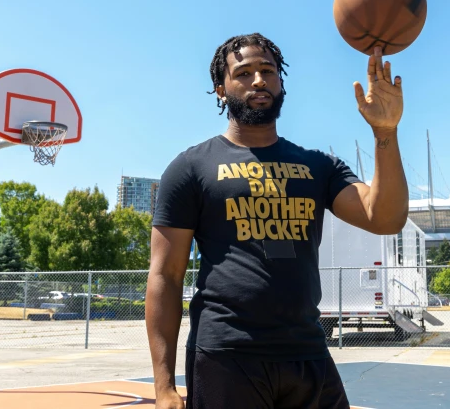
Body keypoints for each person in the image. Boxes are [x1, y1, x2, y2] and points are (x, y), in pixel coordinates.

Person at [145, 33, 409, 409]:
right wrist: (164, 385)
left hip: (307, 351)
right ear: (220, 88)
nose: (258, 80)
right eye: (244, 72)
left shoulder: (318, 165)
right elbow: (165, 276)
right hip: (227, 353)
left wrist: (385, 132)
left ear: (281, 82)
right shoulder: (191, 167)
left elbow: (385, 217)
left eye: (267, 70)